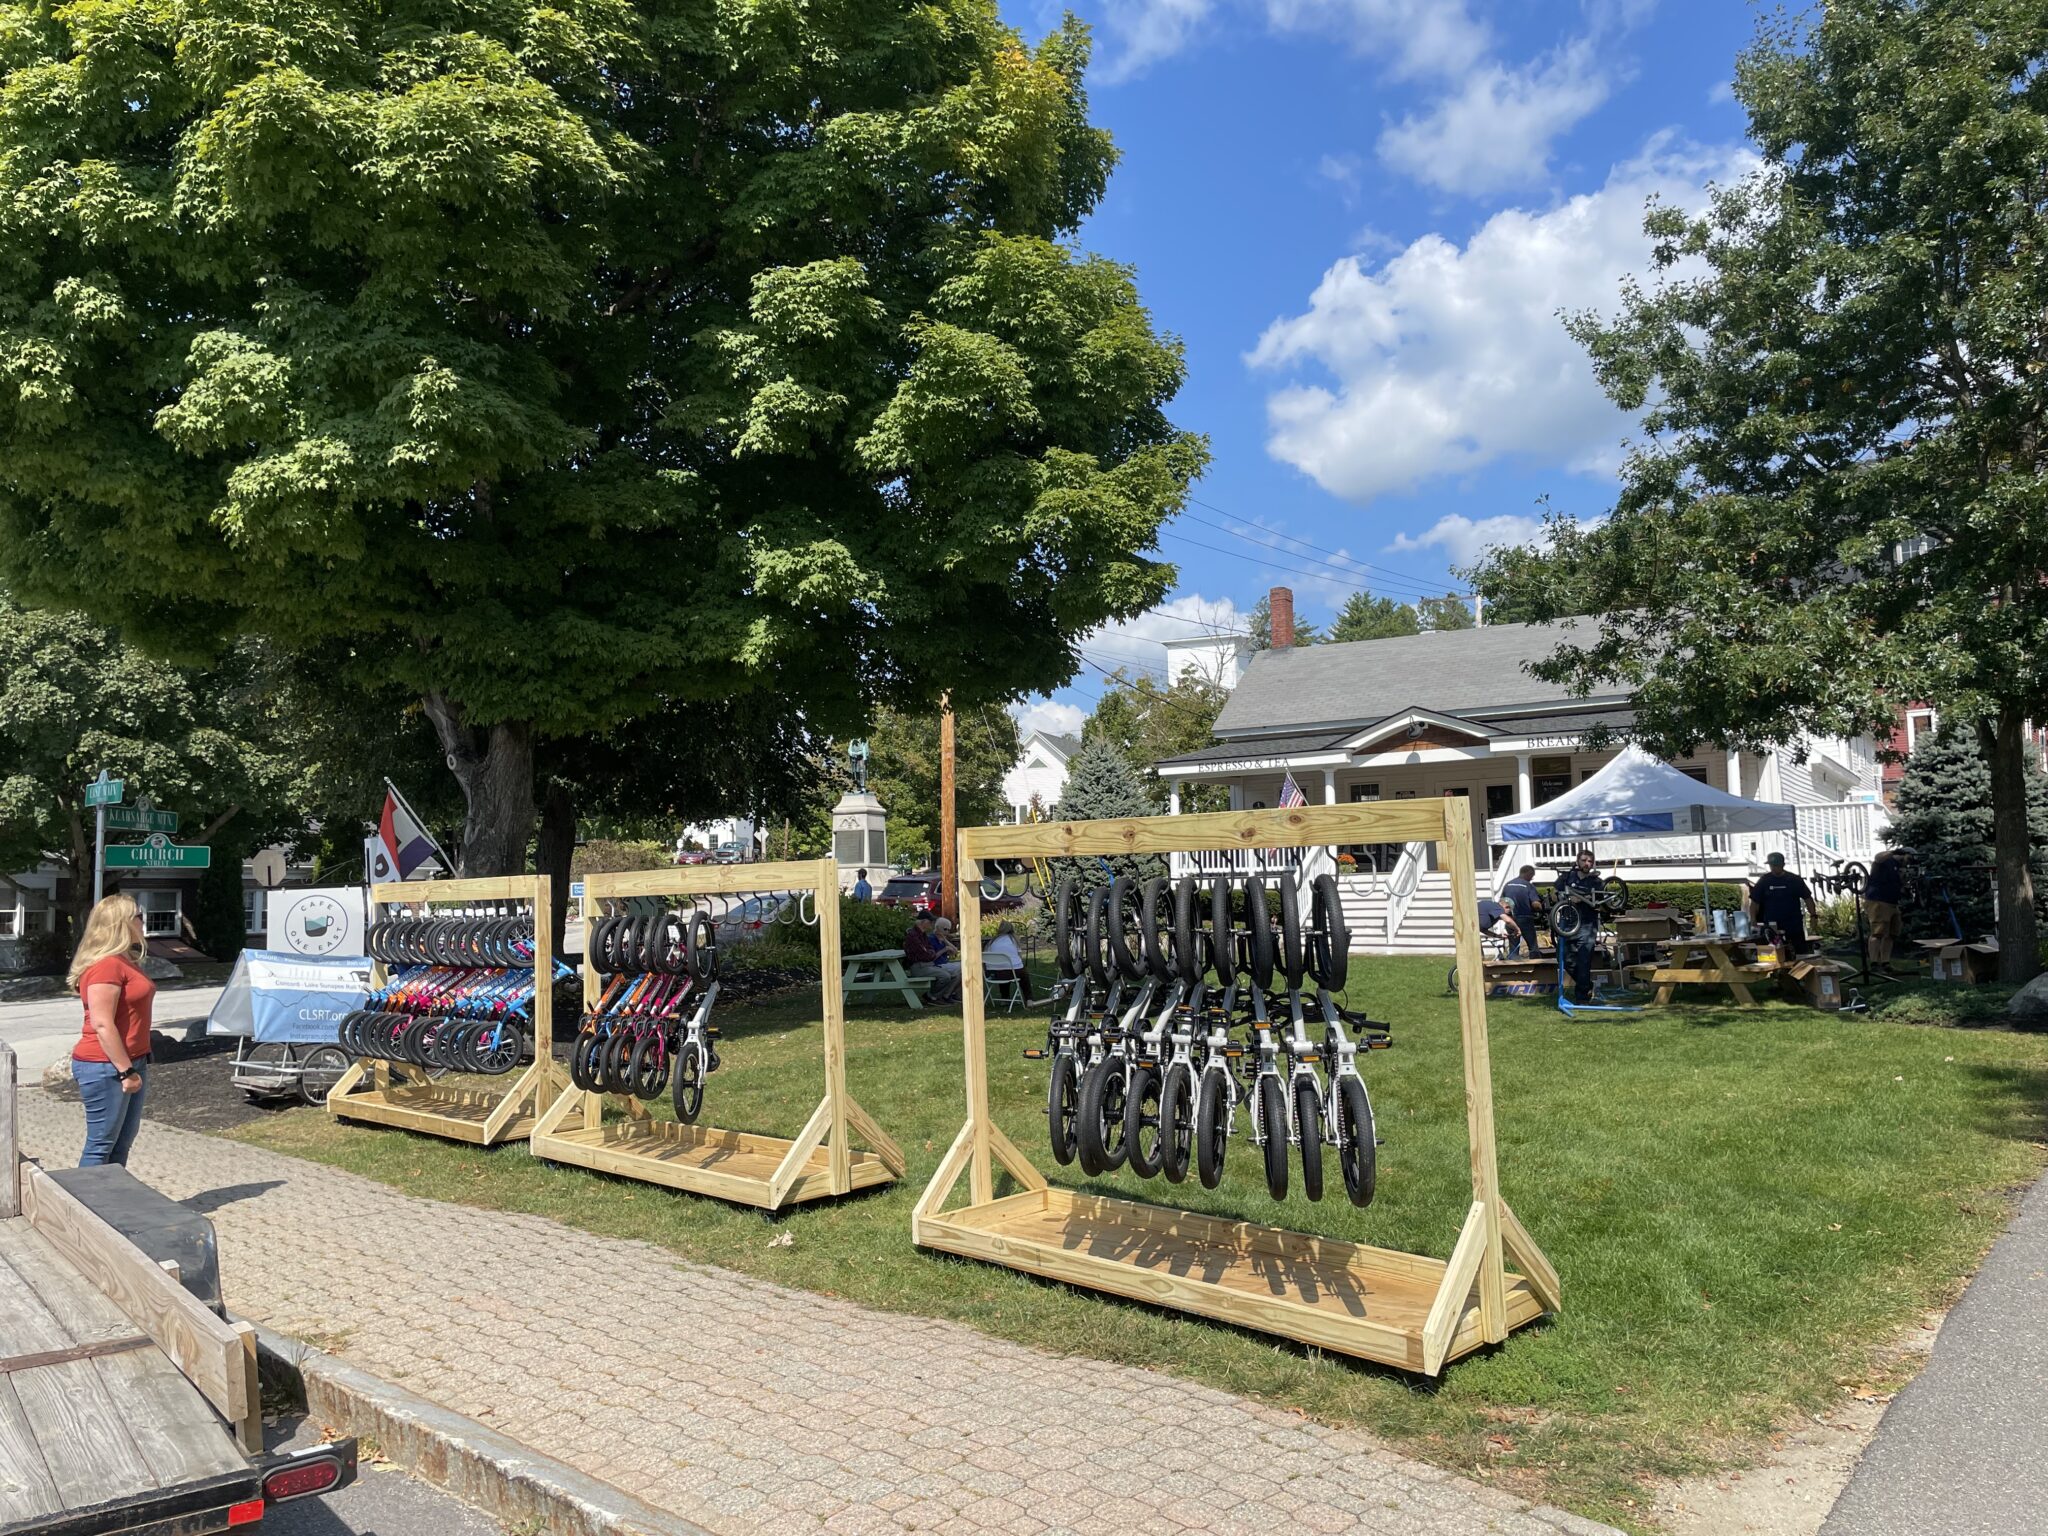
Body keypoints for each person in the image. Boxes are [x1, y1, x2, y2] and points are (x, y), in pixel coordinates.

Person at [69, 892, 156, 1167]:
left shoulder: (123, 960)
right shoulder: (105, 966)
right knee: (101, 1145)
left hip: (132, 1061)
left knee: (121, 1145)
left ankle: (113, 1205)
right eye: (138, 917)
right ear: (122, 923)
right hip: (106, 1066)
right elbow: (102, 1024)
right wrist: (125, 1070)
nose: (143, 922)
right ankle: (85, 1206)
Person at [1552, 850, 1608, 1005]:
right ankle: (1586, 985)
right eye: (1584, 860)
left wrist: (1588, 900)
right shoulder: (1566, 877)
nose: (1587, 863)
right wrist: (1565, 898)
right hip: (1567, 922)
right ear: (1578, 861)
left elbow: (1604, 905)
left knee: (1584, 959)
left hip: (1587, 924)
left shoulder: (1597, 881)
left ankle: (1582, 996)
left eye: (1590, 861)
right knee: (1563, 957)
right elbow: (1554, 894)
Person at [1751, 852, 1820, 955]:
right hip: (1772, 927)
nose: (1774, 868)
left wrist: (1813, 915)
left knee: (1800, 953)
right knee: (1772, 954)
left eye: (1776, 865)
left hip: (1793, 925)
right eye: (1771, 865)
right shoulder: (1764, 881)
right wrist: (1753, 920)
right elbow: (1755, 902)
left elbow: (1808, 898)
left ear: (1783, 864)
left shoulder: (1794, 880)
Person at [1862, 848, 1905, 970]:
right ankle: (1874, 963)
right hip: (1878, 900)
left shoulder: (1898, 867)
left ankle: (1886, 963)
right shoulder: (1886, 860)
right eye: (1908, 858)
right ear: (1902, 855)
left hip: (1893, 903)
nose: (1909, 862)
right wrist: (1894, 852)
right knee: (1878, 933)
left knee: (1891, 934)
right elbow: (1877, 858)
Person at [904, 912, 962, 1002]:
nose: (932, 924)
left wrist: (931, 953)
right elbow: (926, 953)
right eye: (930, 921)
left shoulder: (922, 934)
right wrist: (932, 953)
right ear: (924, 921)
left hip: (927, 964)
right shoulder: (913, 935)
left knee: (953, 975)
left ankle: (939, 996)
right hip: (919, 966)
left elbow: (929, 951)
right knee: (945, 976)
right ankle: (931, 996)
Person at [982, 920, 1036, 1002]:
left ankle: (1005, 998)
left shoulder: (991, 942)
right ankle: (1029, 999)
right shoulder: (1013, 940)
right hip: (1012, 972)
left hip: (993, 974)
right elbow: (1020, 958)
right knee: (1024, 975)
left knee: (1002, 970)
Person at [1500, 864, 1544, 957]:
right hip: (1525, 918)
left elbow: (1502, 903)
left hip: (1510, 919)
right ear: (1528, 873)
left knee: (1513, 947)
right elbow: (1535, 905)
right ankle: (1538, 969)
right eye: (1532, 875)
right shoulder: (1528, 885)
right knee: (1533, 947)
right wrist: (1542, 908)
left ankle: (1513, 969)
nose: (1532, 878)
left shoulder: (1507, 885)